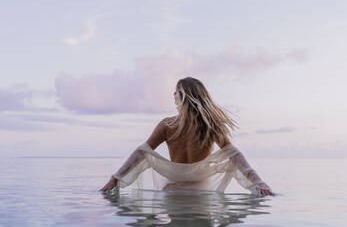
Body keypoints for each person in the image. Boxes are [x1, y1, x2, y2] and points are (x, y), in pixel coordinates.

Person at [100, 77, 273, 197]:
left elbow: (142, 152)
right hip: (202, 192)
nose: (173, 95)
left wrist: (115, 178)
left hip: (172, 191)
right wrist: (259, 183)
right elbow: (234, 155)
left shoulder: (167, 125)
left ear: (181, 97)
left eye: (175, 92)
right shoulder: (211, 126)